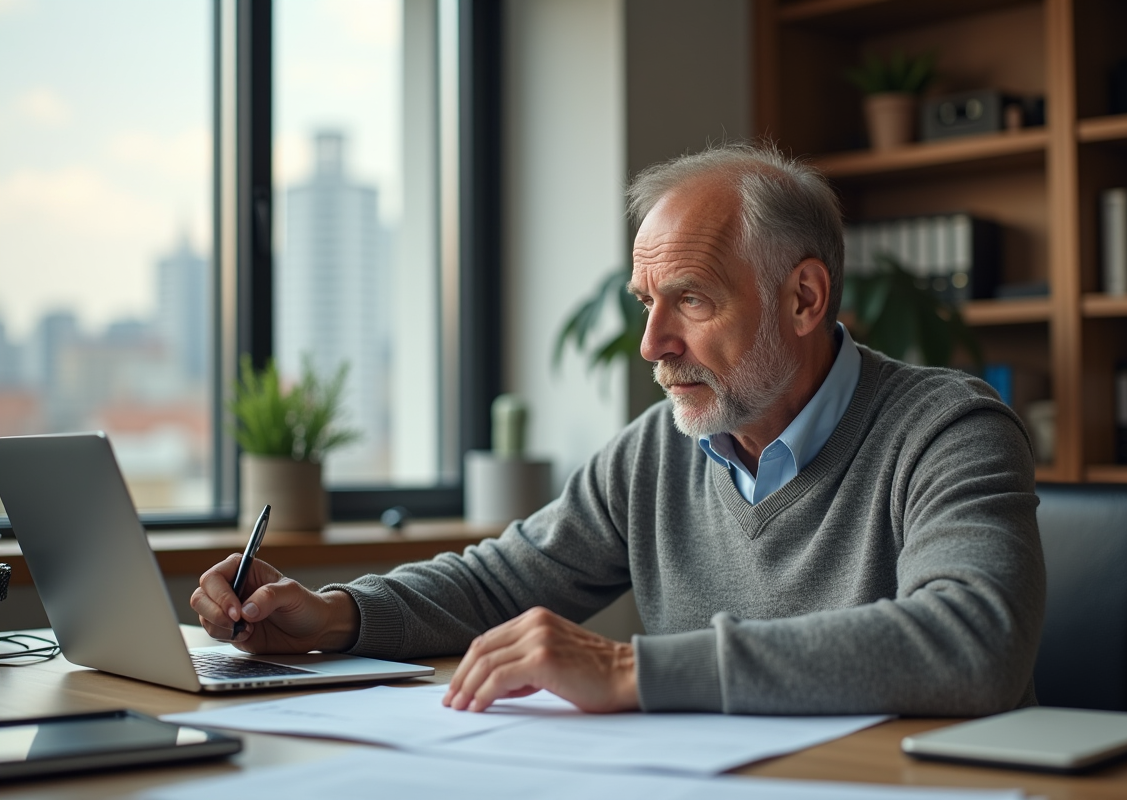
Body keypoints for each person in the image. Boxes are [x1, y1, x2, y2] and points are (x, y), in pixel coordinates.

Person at [192, 143, 1045, 717]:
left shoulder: (948, 430)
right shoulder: (654, 452)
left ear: (804, 298)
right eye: (647, 304)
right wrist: (334, 614)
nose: (651, 344)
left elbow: (974, 640)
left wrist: (631, 669)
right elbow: (500, 585)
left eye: (693, 300)